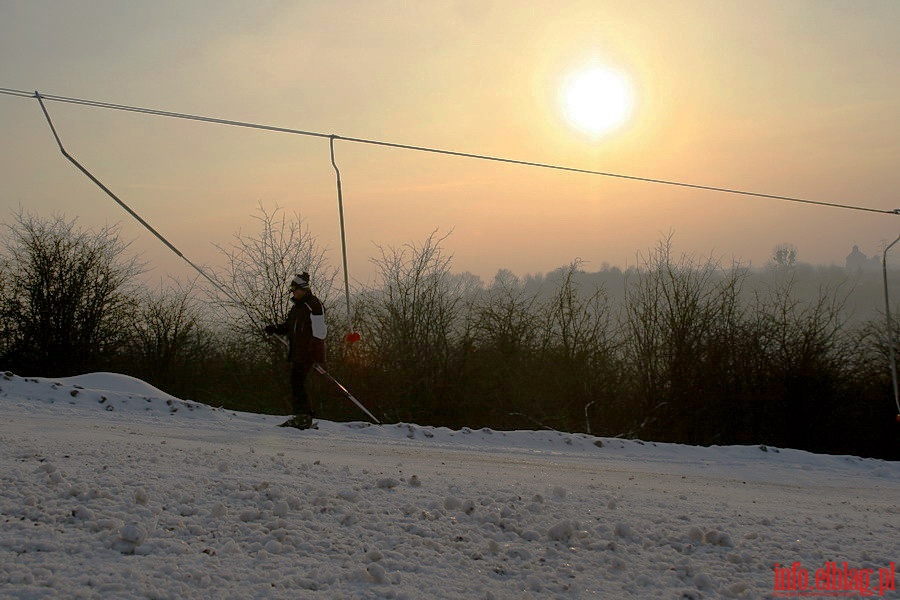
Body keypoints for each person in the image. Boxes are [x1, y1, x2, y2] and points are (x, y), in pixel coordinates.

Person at [264, 272, 327, 429]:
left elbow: (320, 332)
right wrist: (275, 329)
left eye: (294, 289)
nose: (293, 293)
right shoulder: (297, 308)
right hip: (298, 352)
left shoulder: (313, 305)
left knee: (297, 382)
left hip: (307, 353)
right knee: (296, 383)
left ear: (303, 289)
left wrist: (314, 353)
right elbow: (289, 327)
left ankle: (303, 417)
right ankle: (304, 415)